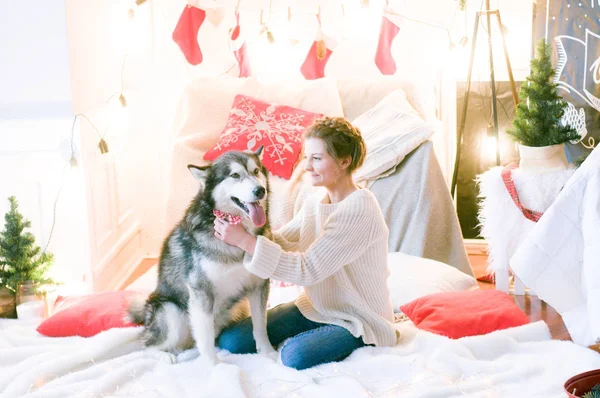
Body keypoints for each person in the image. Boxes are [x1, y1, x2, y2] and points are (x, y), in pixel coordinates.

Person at [213, 116, 397, 370]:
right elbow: (285, 240)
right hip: (319, 306)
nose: (306, 167)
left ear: (344, 161)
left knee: (294, 356)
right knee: (233, 341)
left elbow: (308, 270)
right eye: (306, 157)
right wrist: (244, 225)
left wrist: (245, 241)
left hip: (359, 316)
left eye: (317, 159)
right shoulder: (315, 202)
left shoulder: (359, 209)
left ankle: (359, 339)